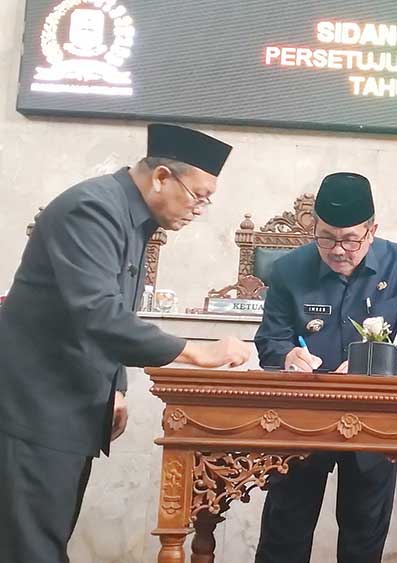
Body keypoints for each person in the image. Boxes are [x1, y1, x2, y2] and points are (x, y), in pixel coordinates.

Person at [0, 123, 252, 562]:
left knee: (44, 541)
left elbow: (111, 314)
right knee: (31, 549)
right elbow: (97, 312)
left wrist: (114, 388)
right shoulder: (92, 210)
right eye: (198, 196)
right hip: (34, 406)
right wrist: (195, 351)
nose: (200, 209)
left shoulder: (131, 218)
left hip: (68, 405)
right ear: (161, 177)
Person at [253, 172, 397, 563]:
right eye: (326, 237)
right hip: (301, 419)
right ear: (313, 228)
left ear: (372, 231)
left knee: (363, 537)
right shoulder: (288, 269)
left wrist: (373, 364)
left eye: (350, 240)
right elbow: (269, 339)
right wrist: (287, 356)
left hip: (372, 418)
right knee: (285, 533)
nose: (337, 250)